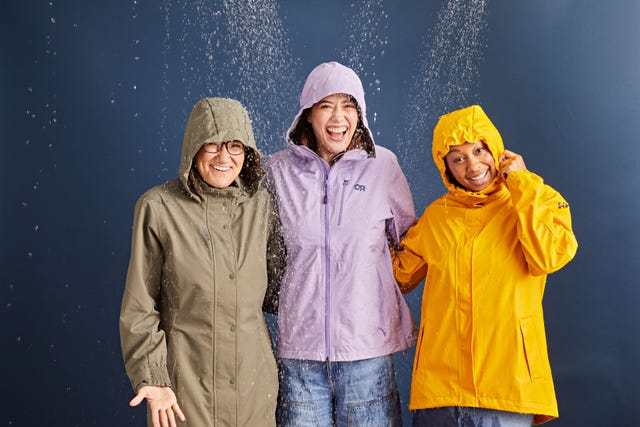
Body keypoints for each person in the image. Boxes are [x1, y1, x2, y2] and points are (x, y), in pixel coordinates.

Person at [392, 105, 578, 426]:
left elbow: (549, 255)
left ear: (496, 149)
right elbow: (397, 276)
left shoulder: (534, 199)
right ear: (446, 167)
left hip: (508, 391)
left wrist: (521, 183)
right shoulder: (438, 216)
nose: (473, 165)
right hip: (440, 393)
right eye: (458, 158)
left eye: (480, 150)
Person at [264, 61, 418, 426]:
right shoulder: (277, 171)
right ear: (308, 115)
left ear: (360, 114)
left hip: (367, 355)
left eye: (348, 105)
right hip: (299, 355)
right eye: (326, 105)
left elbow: (412, 244)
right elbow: (261, 248)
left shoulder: (384, 166)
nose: (338, 117)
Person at [119, 97, 284, 427]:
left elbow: (278, 294)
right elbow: (139, 306)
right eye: (212, 145)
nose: (224, 157)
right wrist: (154, 378)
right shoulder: (158, 208)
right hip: (185, 397)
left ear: (248, 153)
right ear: (193, 148)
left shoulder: (263, 208)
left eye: (235, 146)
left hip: (254, 392)